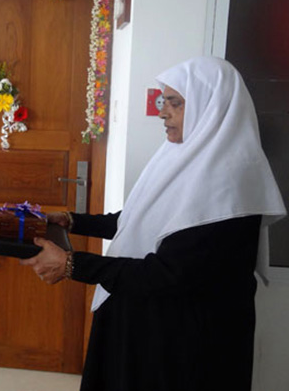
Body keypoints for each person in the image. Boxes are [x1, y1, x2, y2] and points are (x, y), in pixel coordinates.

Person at [21, 56, 286, 391]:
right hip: (150, 323)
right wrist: (72, 221)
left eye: (174, 103)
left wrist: (73, 264)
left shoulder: (229, 180)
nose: (162, 112)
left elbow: (169, 273)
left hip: (185, 344)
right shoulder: (182, 156)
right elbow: (140, 220)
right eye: (164, 101)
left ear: (211, 105)